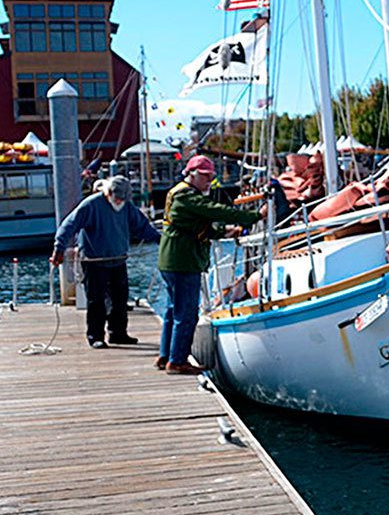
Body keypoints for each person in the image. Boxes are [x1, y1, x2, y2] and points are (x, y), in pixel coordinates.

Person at [157, 154, 262, 375]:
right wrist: (253, 216)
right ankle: (176, 361)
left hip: (173, 259)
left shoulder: (179, 194)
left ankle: (166, 355)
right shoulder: (187, 196)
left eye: (211, 177)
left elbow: (194, 225)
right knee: (186, 313)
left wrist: (224, 230)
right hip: (183, 261)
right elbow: (215, 210)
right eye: (205, 176)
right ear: (192, 175)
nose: (209, 181)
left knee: (172, 310)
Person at [50, 175, 161, 348]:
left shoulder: (127, 207)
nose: (119, 202)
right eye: (116, 198)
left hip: (118, 260)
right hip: (94, 261)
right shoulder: (91, 205)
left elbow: (142, 227)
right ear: (108, 192)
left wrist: (160, 239)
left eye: (123, 199)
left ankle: (118, 333)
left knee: (120, 300)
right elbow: (69, 225)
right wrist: (59, 248)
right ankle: (95, 336)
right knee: (96, 301)